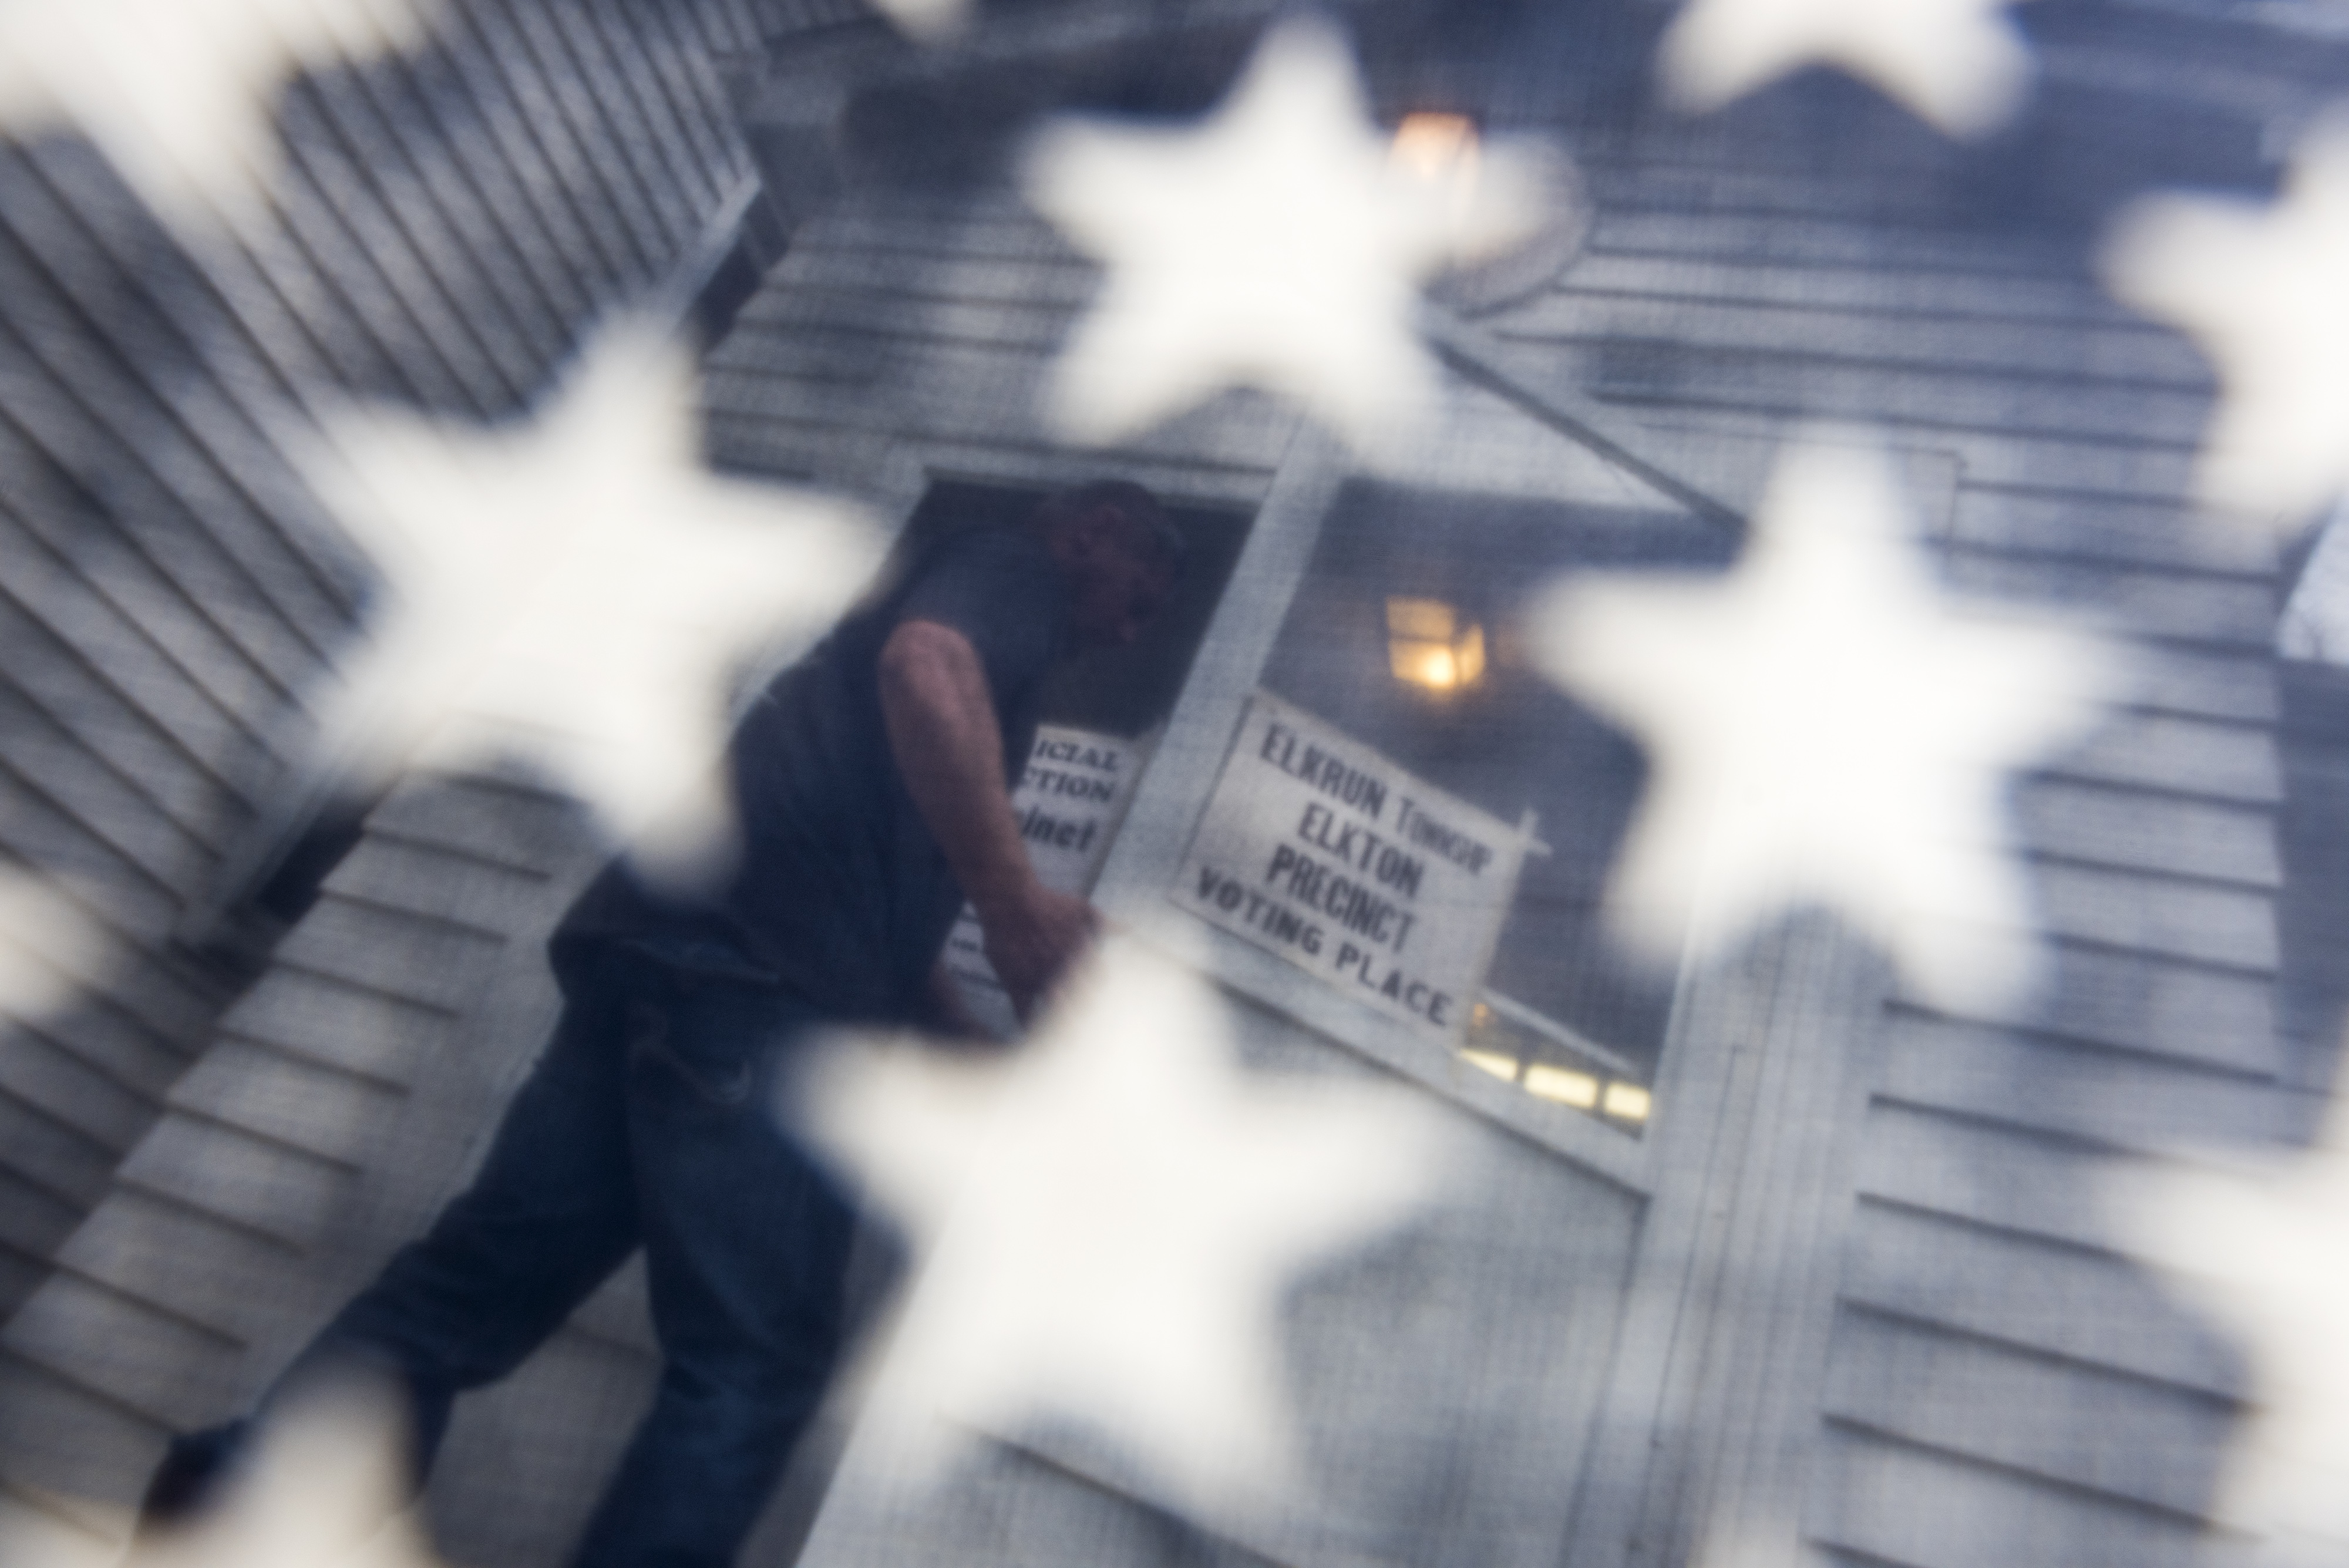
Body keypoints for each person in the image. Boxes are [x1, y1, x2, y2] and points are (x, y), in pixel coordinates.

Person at [140, 480, 1184, 1567]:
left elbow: (869, 886)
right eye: (1138, 600)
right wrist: (1017, 906)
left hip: (656, 960)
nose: (1122, 631)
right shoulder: (1011, 577)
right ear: (1091, 534)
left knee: (472, 1285)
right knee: (754, 1362)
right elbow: (925, 664)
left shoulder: (917, 710)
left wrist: (969, 1043)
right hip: (759, 991)